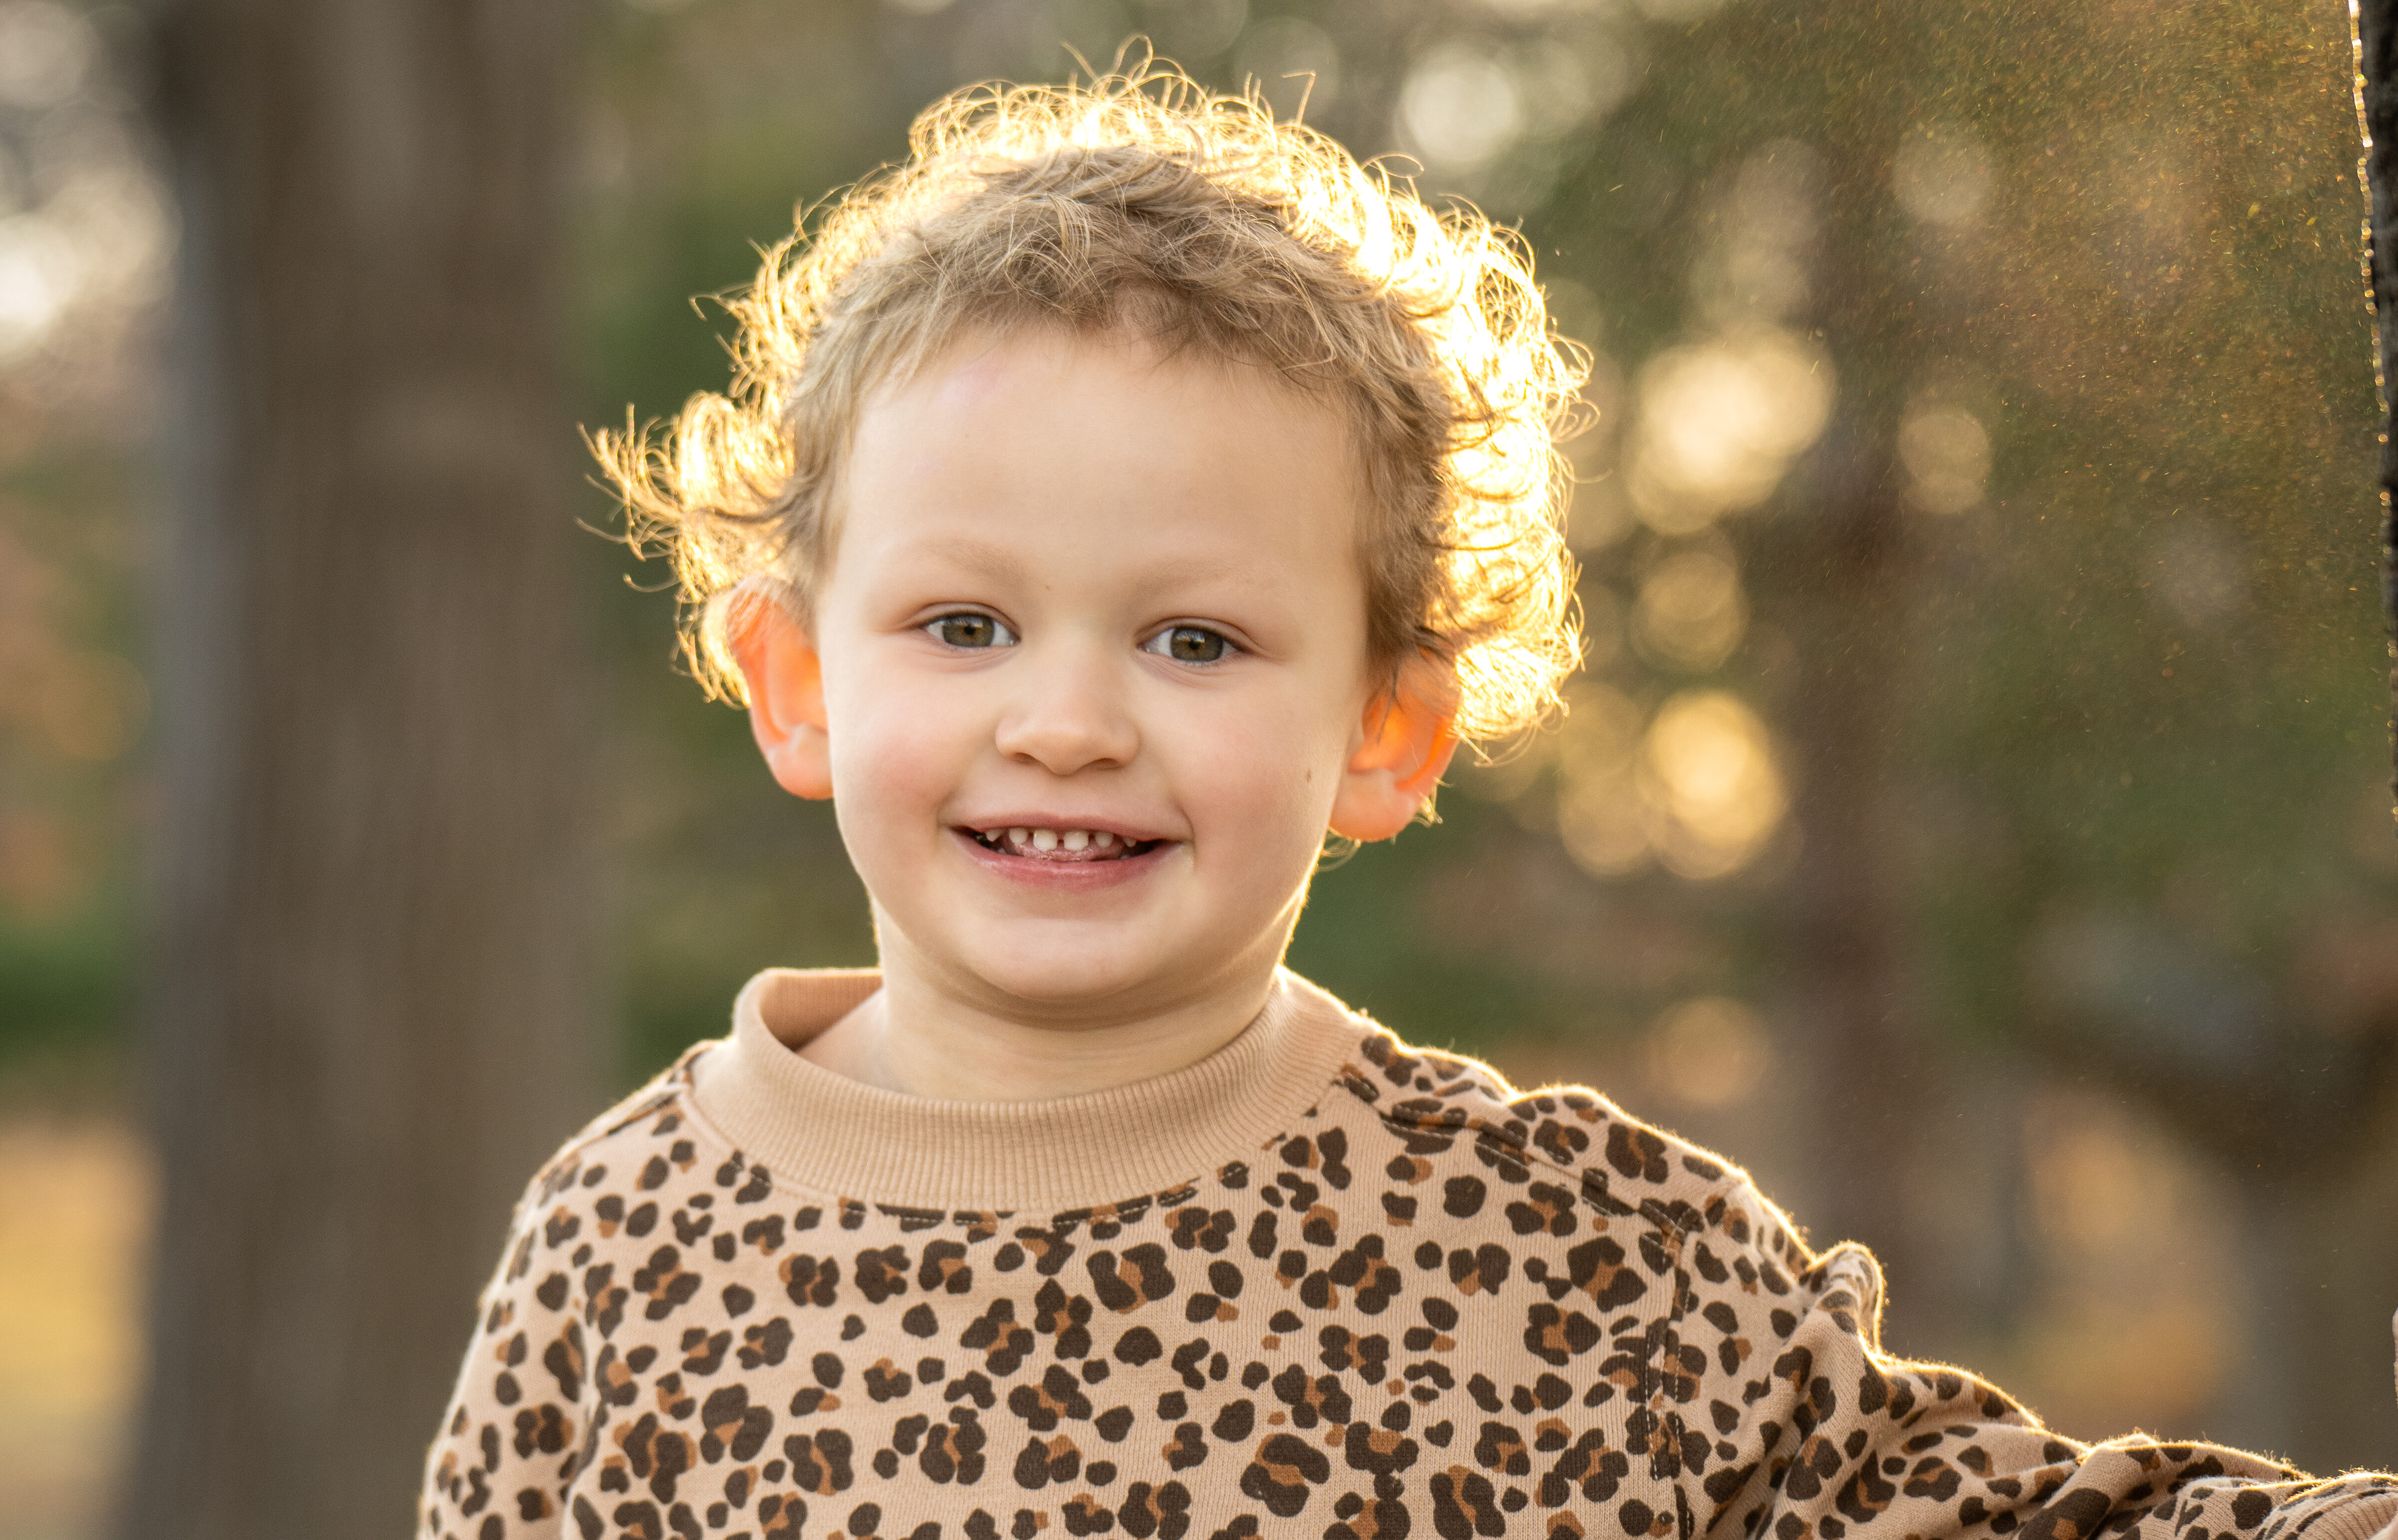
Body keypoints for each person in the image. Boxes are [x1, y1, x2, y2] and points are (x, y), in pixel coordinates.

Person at [418, 63, 2398, 1540]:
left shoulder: (1571, 1257)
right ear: (799, 683)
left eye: (1194, 640)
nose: (1072, 720)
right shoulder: (629, 1255)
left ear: (1388, 729)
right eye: (965, 622)